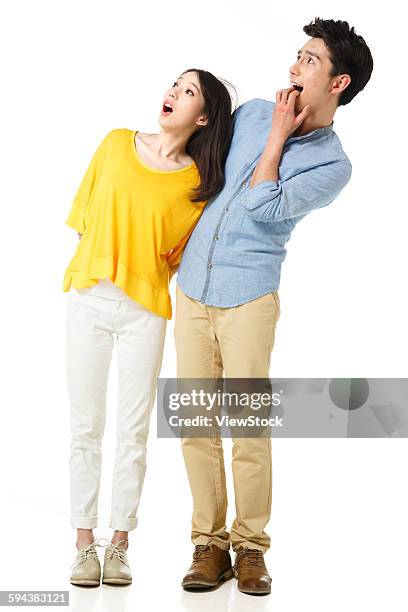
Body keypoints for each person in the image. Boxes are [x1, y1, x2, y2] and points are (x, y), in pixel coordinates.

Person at [175, 18, 373, 595]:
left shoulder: (332, 165)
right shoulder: (252, 111)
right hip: (191, 290)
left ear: (338, 83)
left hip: (249, 299)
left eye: (310, 61)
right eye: (298, 55)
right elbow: (201, 171)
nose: (295, 67)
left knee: (248, 427)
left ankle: (251, 548)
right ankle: (207, 545)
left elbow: (263, 206)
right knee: (195, 422)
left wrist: (280, 136)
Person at [63, 68, 235, 586]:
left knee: (133, 431)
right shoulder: (115, 144)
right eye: (173, 85)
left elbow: (177, 254)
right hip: (90, 295)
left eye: (188, 92)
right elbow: (86, 219)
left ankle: (119, 544)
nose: (172, 94)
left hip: (145, 311)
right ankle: (82, 543)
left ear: (202, 117)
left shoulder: (197, 186)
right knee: (85, 425)